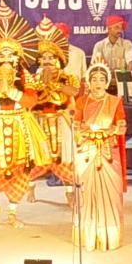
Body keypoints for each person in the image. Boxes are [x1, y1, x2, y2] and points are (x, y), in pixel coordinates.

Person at [0, 0, 52, 228]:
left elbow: (31, 100)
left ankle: (13, 213)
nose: (5, 60)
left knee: (20, 167)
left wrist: (11, 91)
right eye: (1, 56)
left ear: (17, 58)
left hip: (20, 124)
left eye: (10, 56)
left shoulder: (25, 76)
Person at [72, 63, 126, 252]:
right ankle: (87, 234)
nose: (98, 83)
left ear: (107, 82)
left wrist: (109, 130)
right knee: (86, 191)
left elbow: (122, 126)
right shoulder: (82, 101)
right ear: (88, 82)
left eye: (102, 79)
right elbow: (76, 125)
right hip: (86, 150)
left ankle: (109, 235)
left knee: (111, 191)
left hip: (107, 150)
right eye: (94, 79)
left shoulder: (115, 101)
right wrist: (85, 131)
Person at [29, 19, 80, 200]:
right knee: (36, 156)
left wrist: (54, 84)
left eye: (51, 58)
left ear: (58, 60)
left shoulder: (67, 78)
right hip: (39, 121)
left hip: (61, 120)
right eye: (44, 58)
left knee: (65, 156)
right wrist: (42, 82)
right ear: (39, 61)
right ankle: (31, 189)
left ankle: (69, 193)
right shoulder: (32, 79)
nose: (48, 61)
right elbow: (29, 99)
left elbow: (74, 91)